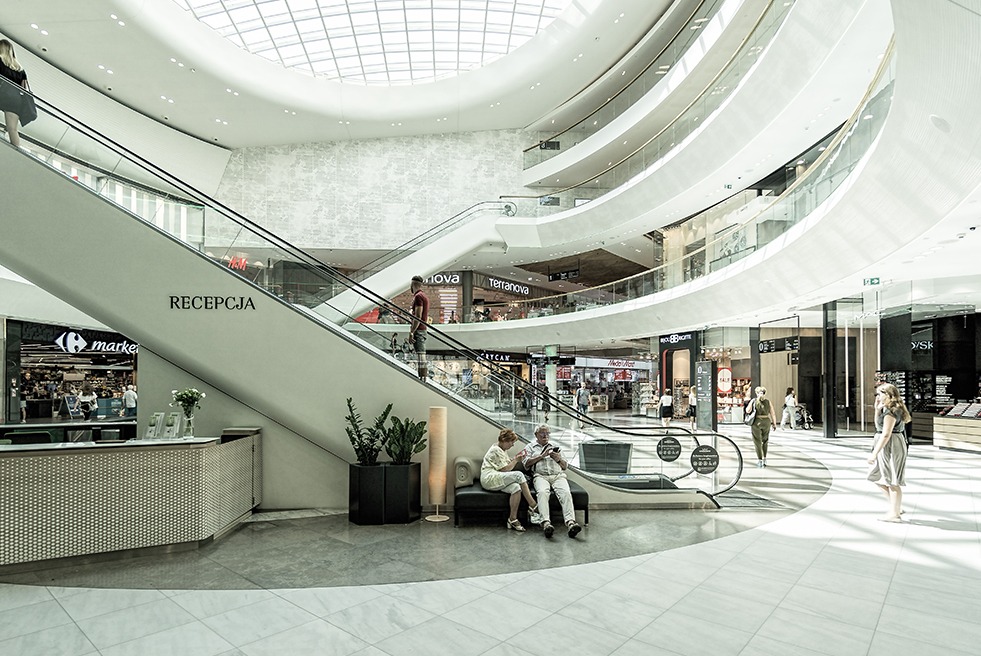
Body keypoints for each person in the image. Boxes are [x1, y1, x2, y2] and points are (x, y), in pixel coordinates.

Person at [523, 425, 582, 539]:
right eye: (542, 433)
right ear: (536, 435)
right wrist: (541, 456)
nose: (545, 436)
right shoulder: (530, 447)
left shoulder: (556, 446)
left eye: (547, 433)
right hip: (540, 476)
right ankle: (546, 523)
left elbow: (565, 466)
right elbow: (526, 465)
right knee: (543, 493)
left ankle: (571, 523)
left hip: (558, 476)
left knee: (565, 493)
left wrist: (558, 459)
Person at [480, 429, 542, 531]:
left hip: (496, 476)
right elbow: (505, 469)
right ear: (505, 441)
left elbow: (506, 464)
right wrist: (516, 460)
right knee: (519, 475)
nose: (512, 445)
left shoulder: (501, 450)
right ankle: (533, 505)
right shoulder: (495, 450)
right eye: (512, 442)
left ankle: (512, 519)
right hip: (489, 478)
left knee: (516, 488)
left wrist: (515, 459)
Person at [868, 383, 910, 522]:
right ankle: (896, 506)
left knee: (892, 480)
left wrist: (874, 453)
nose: (878, 397)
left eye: (880, 394)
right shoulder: (888, 409)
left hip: (891, 445)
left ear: (888, 395)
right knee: (878, 476)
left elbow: (886, 434)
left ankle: (894, 513)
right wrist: (876, 410)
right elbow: (878, 427)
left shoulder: (891, 412)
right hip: (889, 444)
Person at [0, 40, 35, 149]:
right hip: (15, 100)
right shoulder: (20, 69)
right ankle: (16, 150)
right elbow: (23, 89)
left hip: (2, 95)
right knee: (12, 129)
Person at [748, 386, 777, 468]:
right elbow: (773, 413)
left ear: (756, 393)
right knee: (765, 440)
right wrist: (774, 423)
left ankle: (760, 460)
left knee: (757, 442)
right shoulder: (768, 402)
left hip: (756, 422)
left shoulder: (754, 401)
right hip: (766, 421)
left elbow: (748, 410)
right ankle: (765, 459)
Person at [408, 275, 429, 381]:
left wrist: (412, 331)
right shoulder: (423, 295)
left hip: (419, 329)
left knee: (421, 354)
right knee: (421, 354)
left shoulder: (418, 296)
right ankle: (422, 377)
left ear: (413, 284)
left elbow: (418, 316)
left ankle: (423, 378)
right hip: (422, 329)